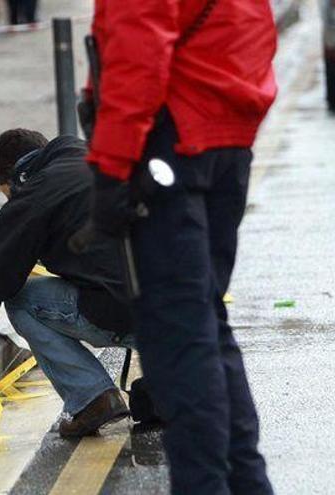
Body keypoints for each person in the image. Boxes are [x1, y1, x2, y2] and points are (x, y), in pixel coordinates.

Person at [82, 0, 277, 493]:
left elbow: (137, 44)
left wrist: (111, 163)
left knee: (178, 344)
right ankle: (247, 484)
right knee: (205, 327)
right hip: (221, 138)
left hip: (172, 141)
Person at [0, 129, 134, 437]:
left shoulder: (34, 196)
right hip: (186, 302)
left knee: (22, 299)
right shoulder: (90, 156)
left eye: (4, 192)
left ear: (15, 178)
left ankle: (93, 398)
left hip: (127, 312)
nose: (9, 200)